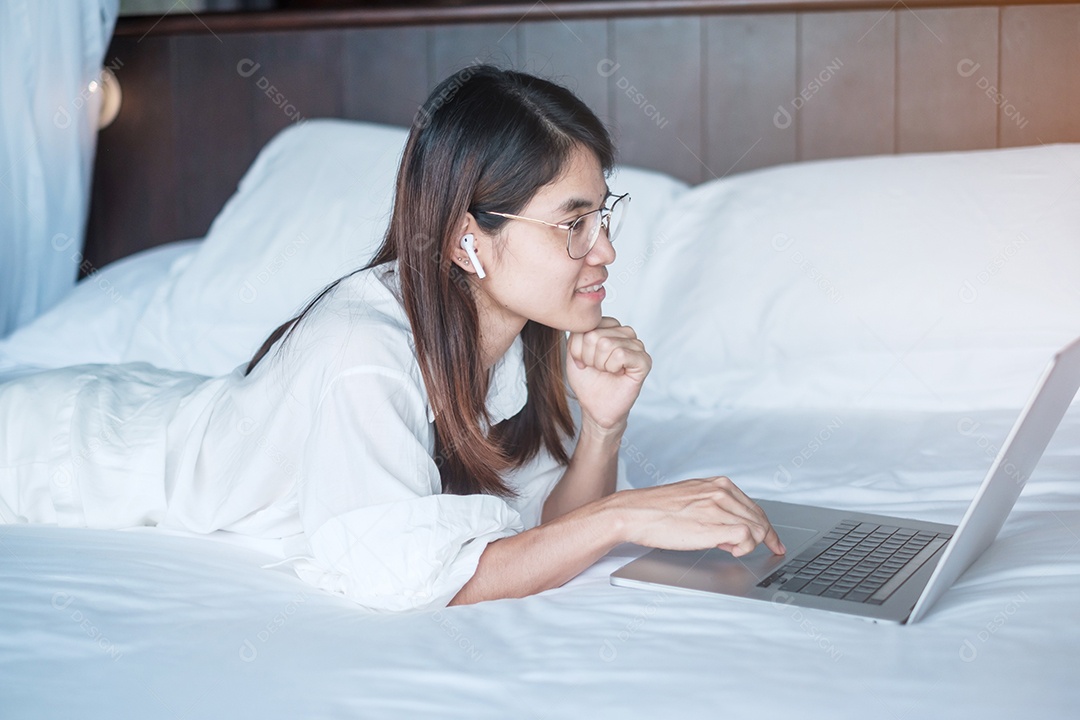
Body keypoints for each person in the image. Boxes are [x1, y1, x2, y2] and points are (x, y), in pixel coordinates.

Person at [0, 65, 783, 612]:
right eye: (574, 223)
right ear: (466, 240)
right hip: (54, 449)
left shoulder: (523, 336)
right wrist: (626, 517)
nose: (604, 249)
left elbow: (544, 532)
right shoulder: (360, 347)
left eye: (603, 214)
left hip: (153, 409)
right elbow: (414, 577)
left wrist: (604, 428)